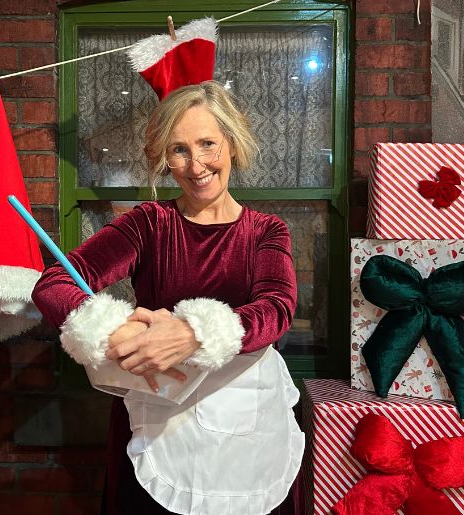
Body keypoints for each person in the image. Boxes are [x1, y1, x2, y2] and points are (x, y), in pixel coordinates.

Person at [32, 80, 303, 515]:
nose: (196, 165)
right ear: (164, 158)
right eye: (179, 150)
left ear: (232, 142)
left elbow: (277, 308)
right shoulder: (149, 224)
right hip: (157, 423)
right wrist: (114, 330)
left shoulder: (266, 231)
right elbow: (54, 285)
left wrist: (194, 334)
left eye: (208, 144)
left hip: (246, 425)